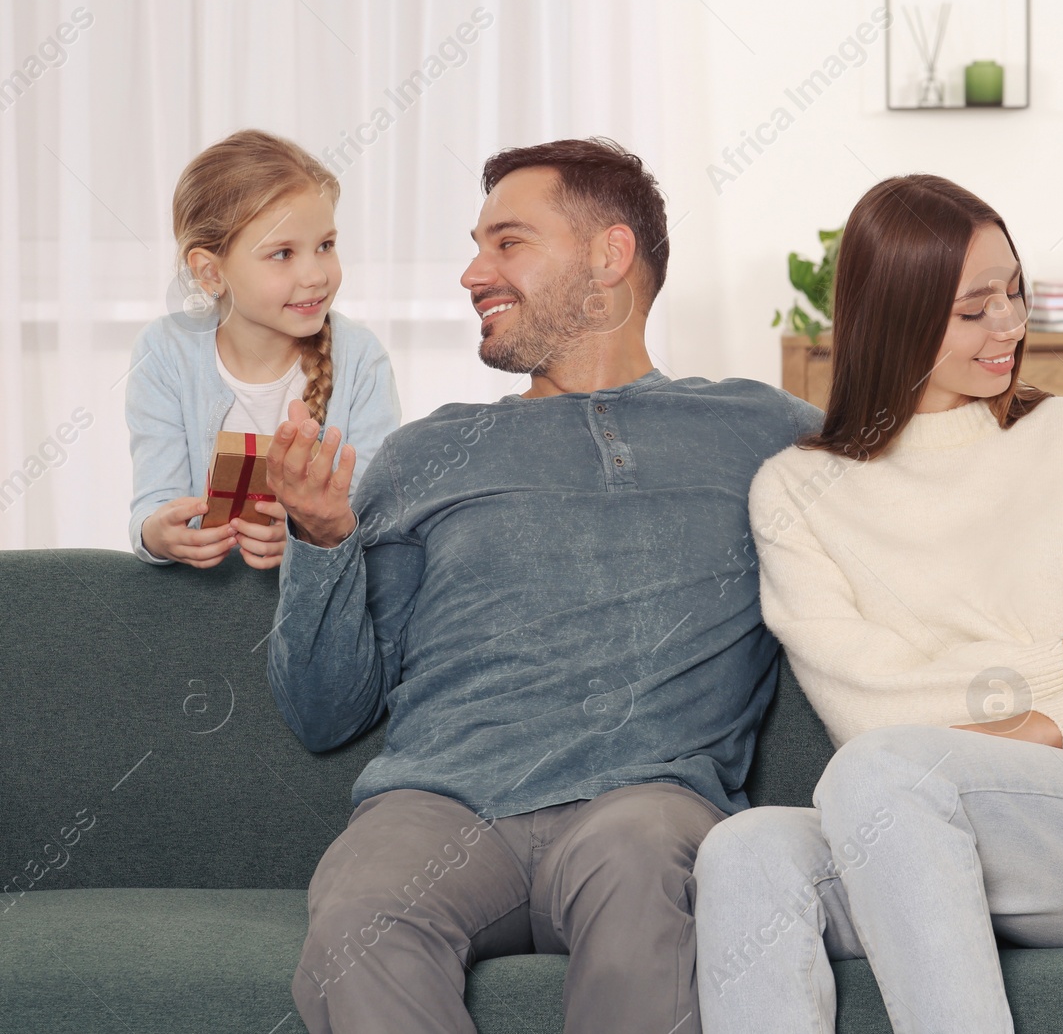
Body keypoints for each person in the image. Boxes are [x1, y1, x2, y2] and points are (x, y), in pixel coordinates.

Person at [264, 137, 822, 1034]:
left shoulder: (762, 429)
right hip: (440, 803)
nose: (471, 272)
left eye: (507, 243)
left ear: (610, 255)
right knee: (361, 913)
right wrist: (320, 537)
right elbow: (325, 710)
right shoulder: (425, 454)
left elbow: (920, 495)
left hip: (644, 802)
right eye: (476, 246)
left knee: (641, 864)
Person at [692, 174, 1063, 1033]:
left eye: (1015, 292)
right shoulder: (799, 491)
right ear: (895, 315)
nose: (1011, 326)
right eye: (974, 309)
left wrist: (1036, 731)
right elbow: (869, 710)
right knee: (744, 849)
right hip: (915, 833)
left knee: (891, 775)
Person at [125, 129, 401, 570]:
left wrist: (304, 540)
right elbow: (153, 505)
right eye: (282, 254)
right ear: (210, 272)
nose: (315, 275)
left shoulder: (360, 359)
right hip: (195, 609)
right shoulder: (165, 352)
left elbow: (377, 520)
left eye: (325, 245)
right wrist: (157, 535)